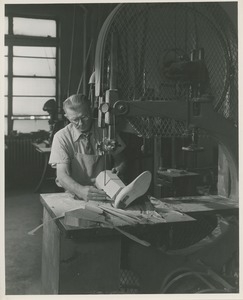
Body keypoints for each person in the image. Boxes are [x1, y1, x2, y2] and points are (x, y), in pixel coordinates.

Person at [49, 94, 126, 201]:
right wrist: (81, 191)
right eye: (75, 120)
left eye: (84, 117)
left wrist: (120, 167)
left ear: (91, 110)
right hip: (76, 194)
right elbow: (62, 175)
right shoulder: (61, 137)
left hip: (106, 193)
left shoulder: (106, 130)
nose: (81, 123)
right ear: (67, 117)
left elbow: (121, 159)